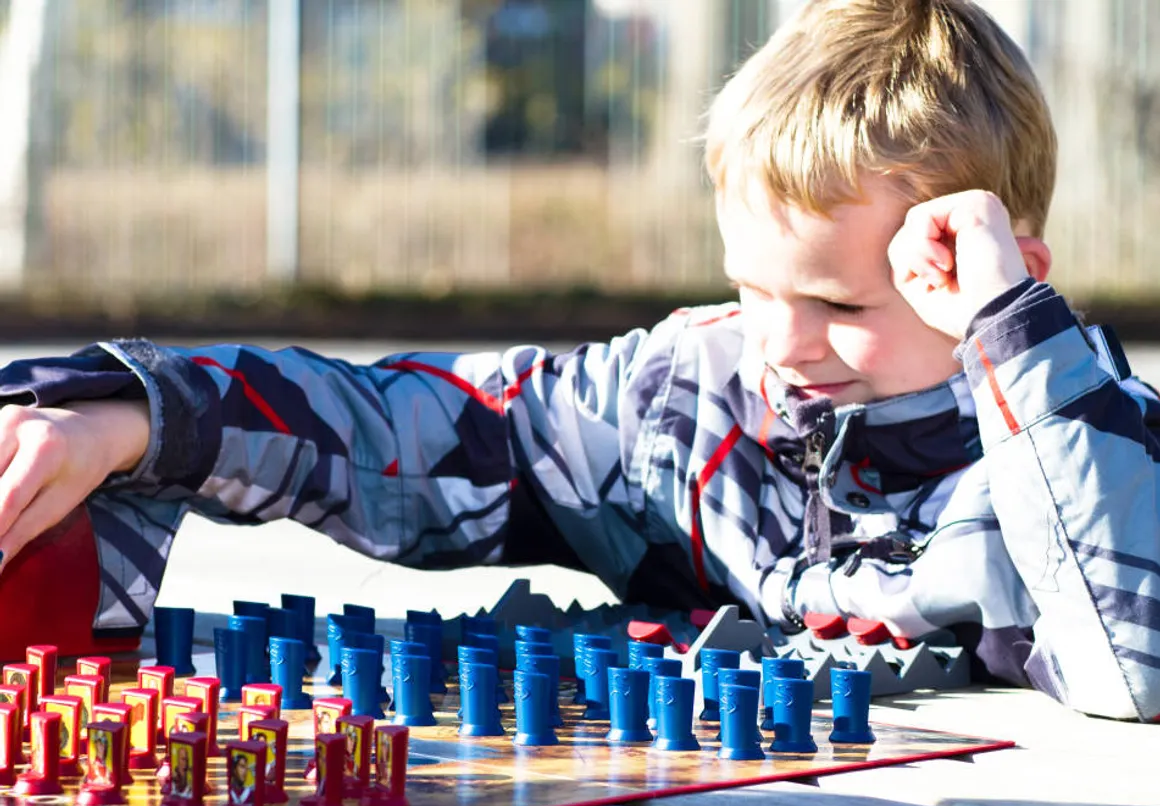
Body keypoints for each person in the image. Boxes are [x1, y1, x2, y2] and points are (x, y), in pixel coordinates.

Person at [0, 0, 1153, 721]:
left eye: (837, 303)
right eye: (752, 289)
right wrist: (137, 418)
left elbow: (1128, 661)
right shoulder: (677, 406)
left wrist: (1014, 338)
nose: (780, 345)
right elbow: (412, 431)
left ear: (997, 276)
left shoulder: (1083, 444)